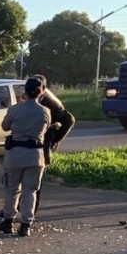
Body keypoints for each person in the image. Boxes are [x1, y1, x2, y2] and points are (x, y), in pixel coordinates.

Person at [0, 77, 51, 237]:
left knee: (12, 189)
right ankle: (26, 224)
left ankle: (7, 221)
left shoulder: (15, 109)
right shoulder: (45, 111)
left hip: (15, 154)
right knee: (30, 191)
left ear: (24, 91)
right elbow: (45, 129)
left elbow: (5, 126)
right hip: (35, 156)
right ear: (41, 92)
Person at [34, 74, 76, 213]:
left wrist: (53, 140)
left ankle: (31, 212)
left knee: (36, 181)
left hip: (43, 144)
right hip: (35, 143)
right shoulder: (41, 98)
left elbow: (69, 119)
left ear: (44, 88)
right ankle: (18, 209)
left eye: (38, 86)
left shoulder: (49, 102)